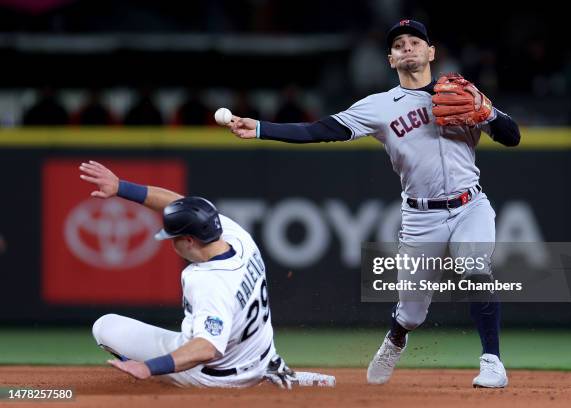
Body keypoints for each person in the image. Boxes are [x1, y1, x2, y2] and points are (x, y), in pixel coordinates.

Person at [225, 19, 521, 388]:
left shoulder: (462, 92)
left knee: (475, 269)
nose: (408, 47)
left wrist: (487, 111)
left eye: (416, 41)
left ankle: (492, 361)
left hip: (470, 206)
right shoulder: (379, 106)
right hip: (420, 218)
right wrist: (259, 128)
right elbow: (320, 130)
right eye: (399, 45)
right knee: (412, 314)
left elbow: (512, 138)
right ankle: (397, 336)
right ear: (390, 60)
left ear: (432, 52)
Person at [79, 160, 334, 388]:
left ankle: (238, 383)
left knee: (105, 327)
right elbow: (180, 205)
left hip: (216, 377)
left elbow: (206, 348)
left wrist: (148, 367)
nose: (170, 243)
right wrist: (121, 187)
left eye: (173, 237)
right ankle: (269, 369)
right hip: (259, 354)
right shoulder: (237, 237)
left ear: (189, 240)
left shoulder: (208, 281)